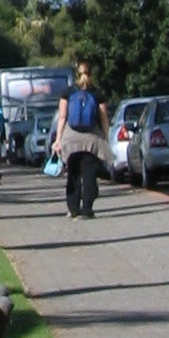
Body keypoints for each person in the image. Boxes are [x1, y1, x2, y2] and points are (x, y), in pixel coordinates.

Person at [55, 60, 110, 220]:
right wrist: (105, 137)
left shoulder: (68, 92)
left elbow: (62, 117)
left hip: (71, 139)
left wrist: (58, 139)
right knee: (89, 174)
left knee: (73, 173)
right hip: (91, 140)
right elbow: (104, 118)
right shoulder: (97, 93)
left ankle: (73, 208)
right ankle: (87, 209)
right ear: (91, 74)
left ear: (76, 75)